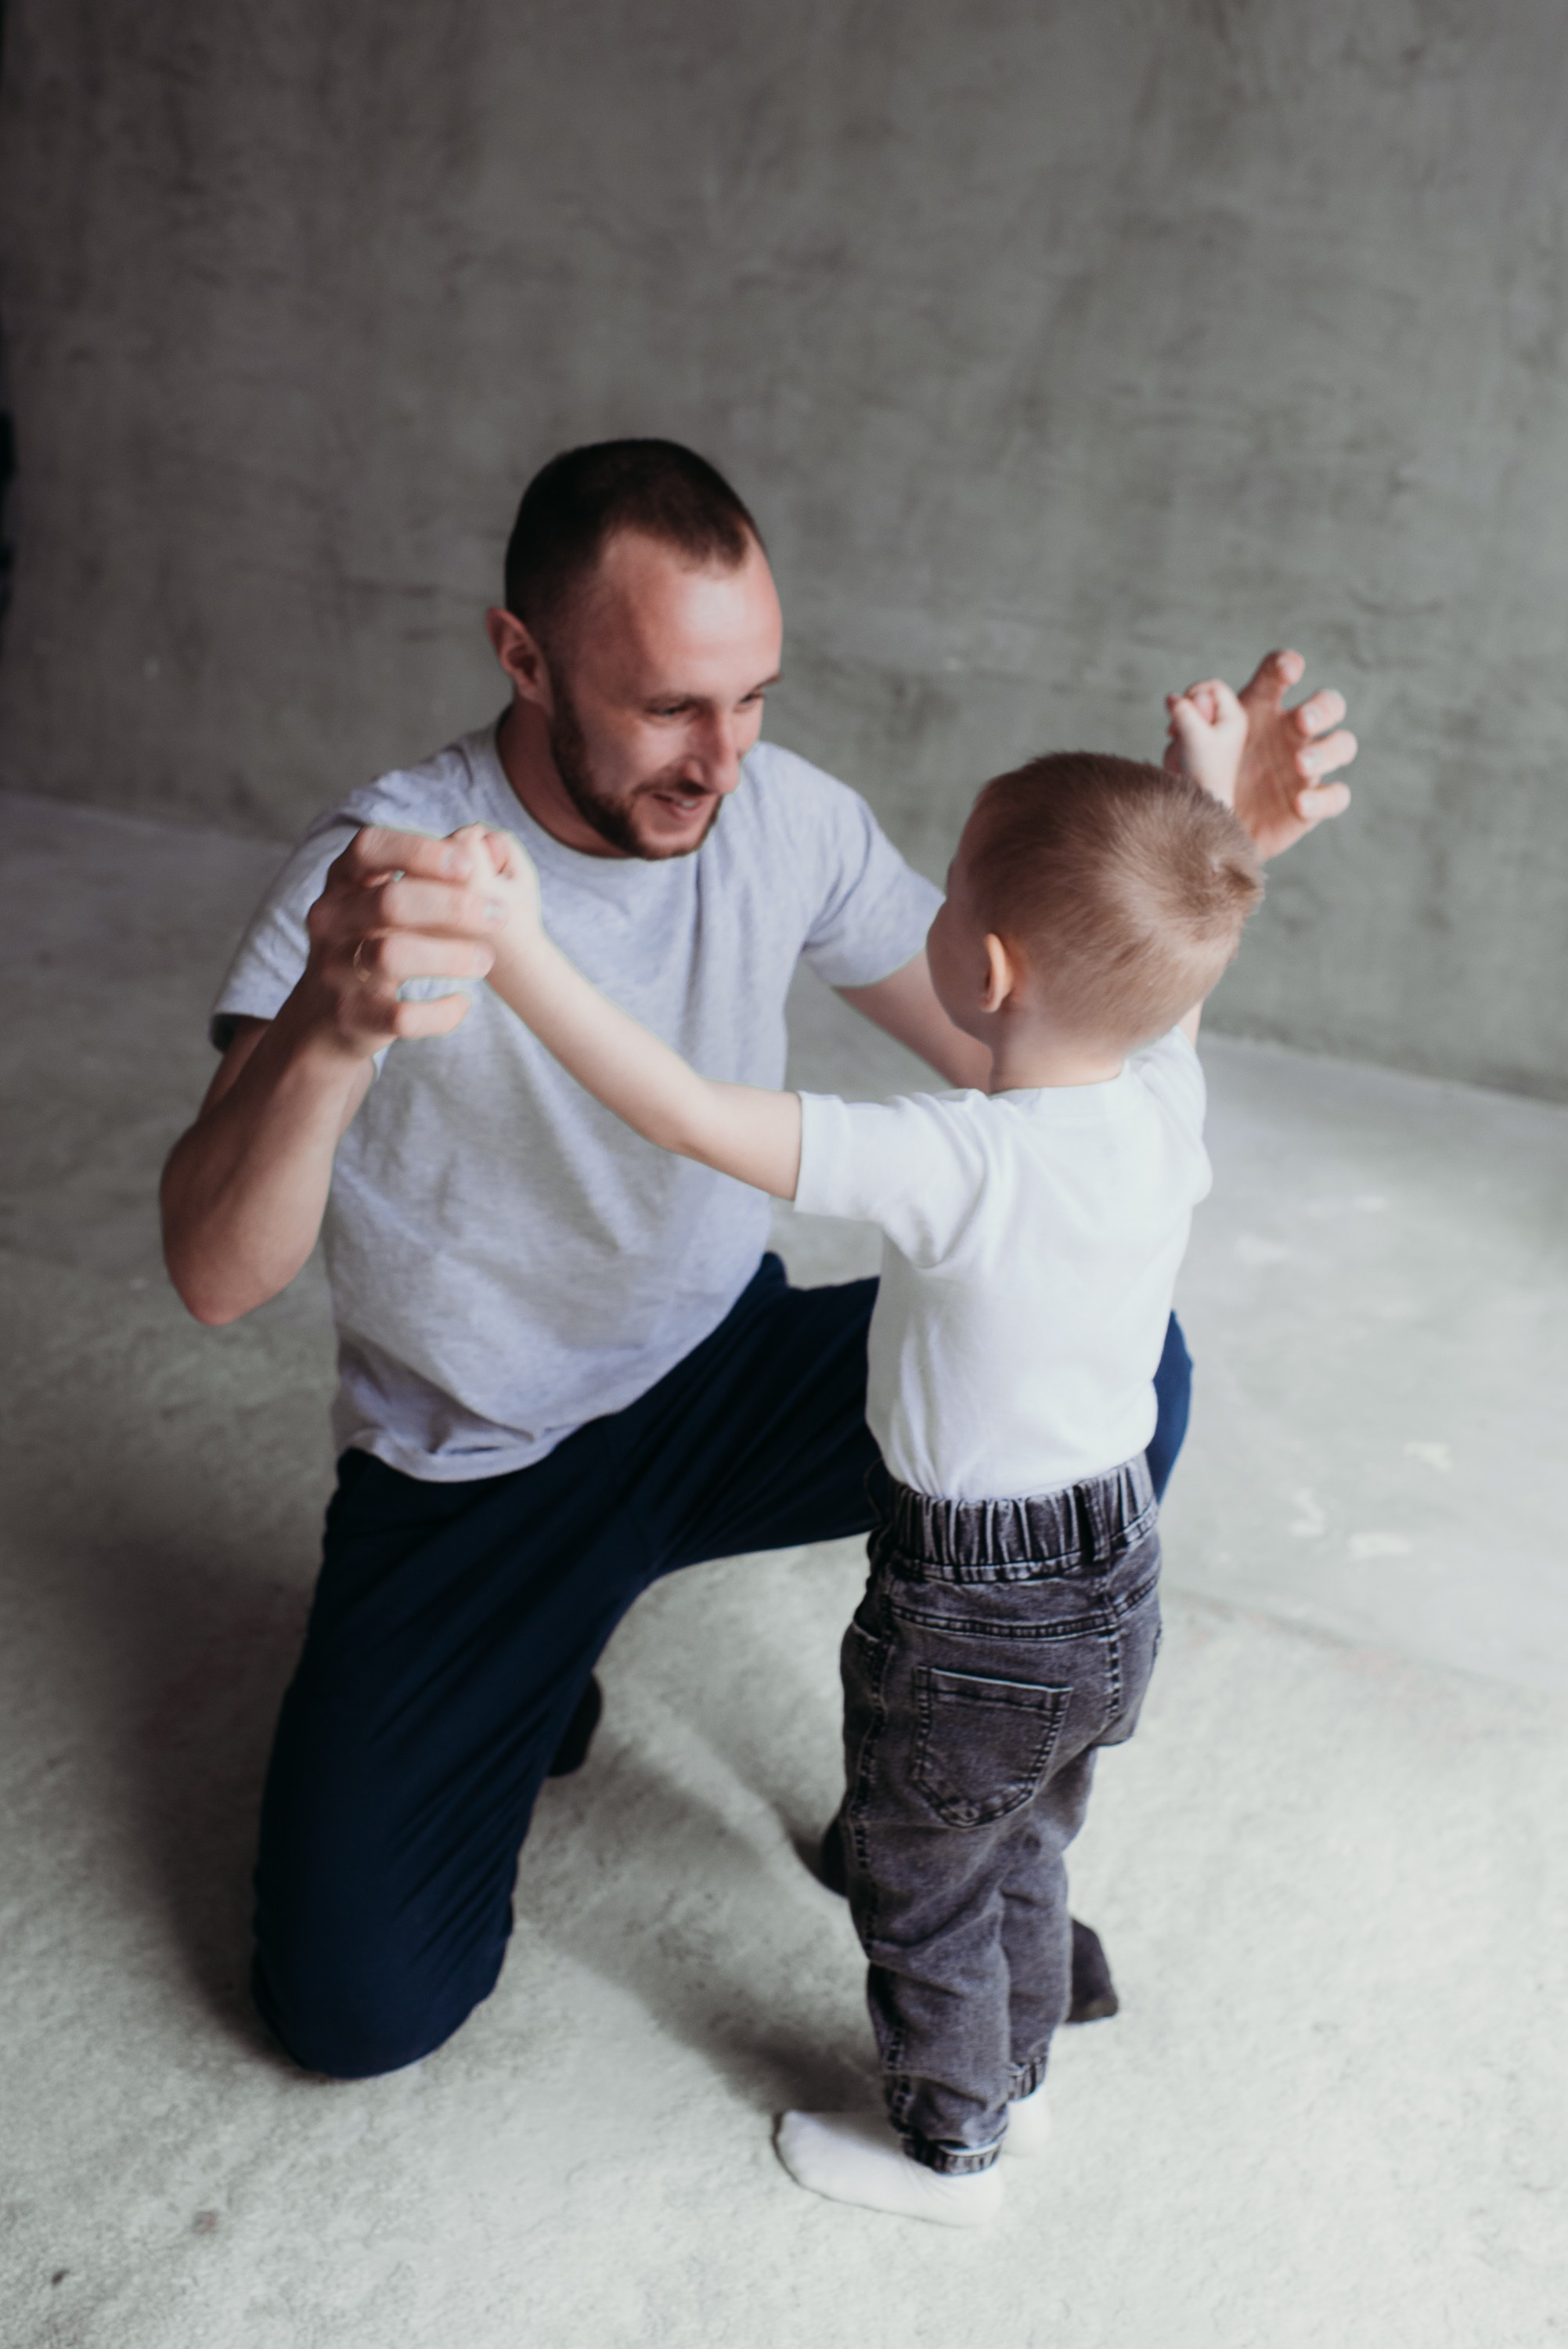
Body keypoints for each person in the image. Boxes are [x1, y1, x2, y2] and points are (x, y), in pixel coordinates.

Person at [160, 440, 1356, 2080]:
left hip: (721, 1366)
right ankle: (547, 1642)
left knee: (1128, 1374)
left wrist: (1208, 866)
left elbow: (1028, 1051)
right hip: (483, 1463)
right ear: (523, 657)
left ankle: (921, 1807)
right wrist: (330, 1025)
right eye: (667, 708)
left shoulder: (780, 813)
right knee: (352, 2013)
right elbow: (215, 1273)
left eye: (754, 700)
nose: (719, 759)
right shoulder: (384, 868)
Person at [450, 673, 1259, 2222]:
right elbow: (1175, 986)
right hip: (1115, 1575)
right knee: (1023, 1830)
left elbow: (689, 1112)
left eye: (950, 896)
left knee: (921, 1869)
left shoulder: (960, 1157)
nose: (932, 915)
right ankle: (1021, 2054)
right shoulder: (1164, 1095)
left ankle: (949, 2140)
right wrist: (1200, 787)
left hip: (974, 1608)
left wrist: (518, 949)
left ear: (996, 967)